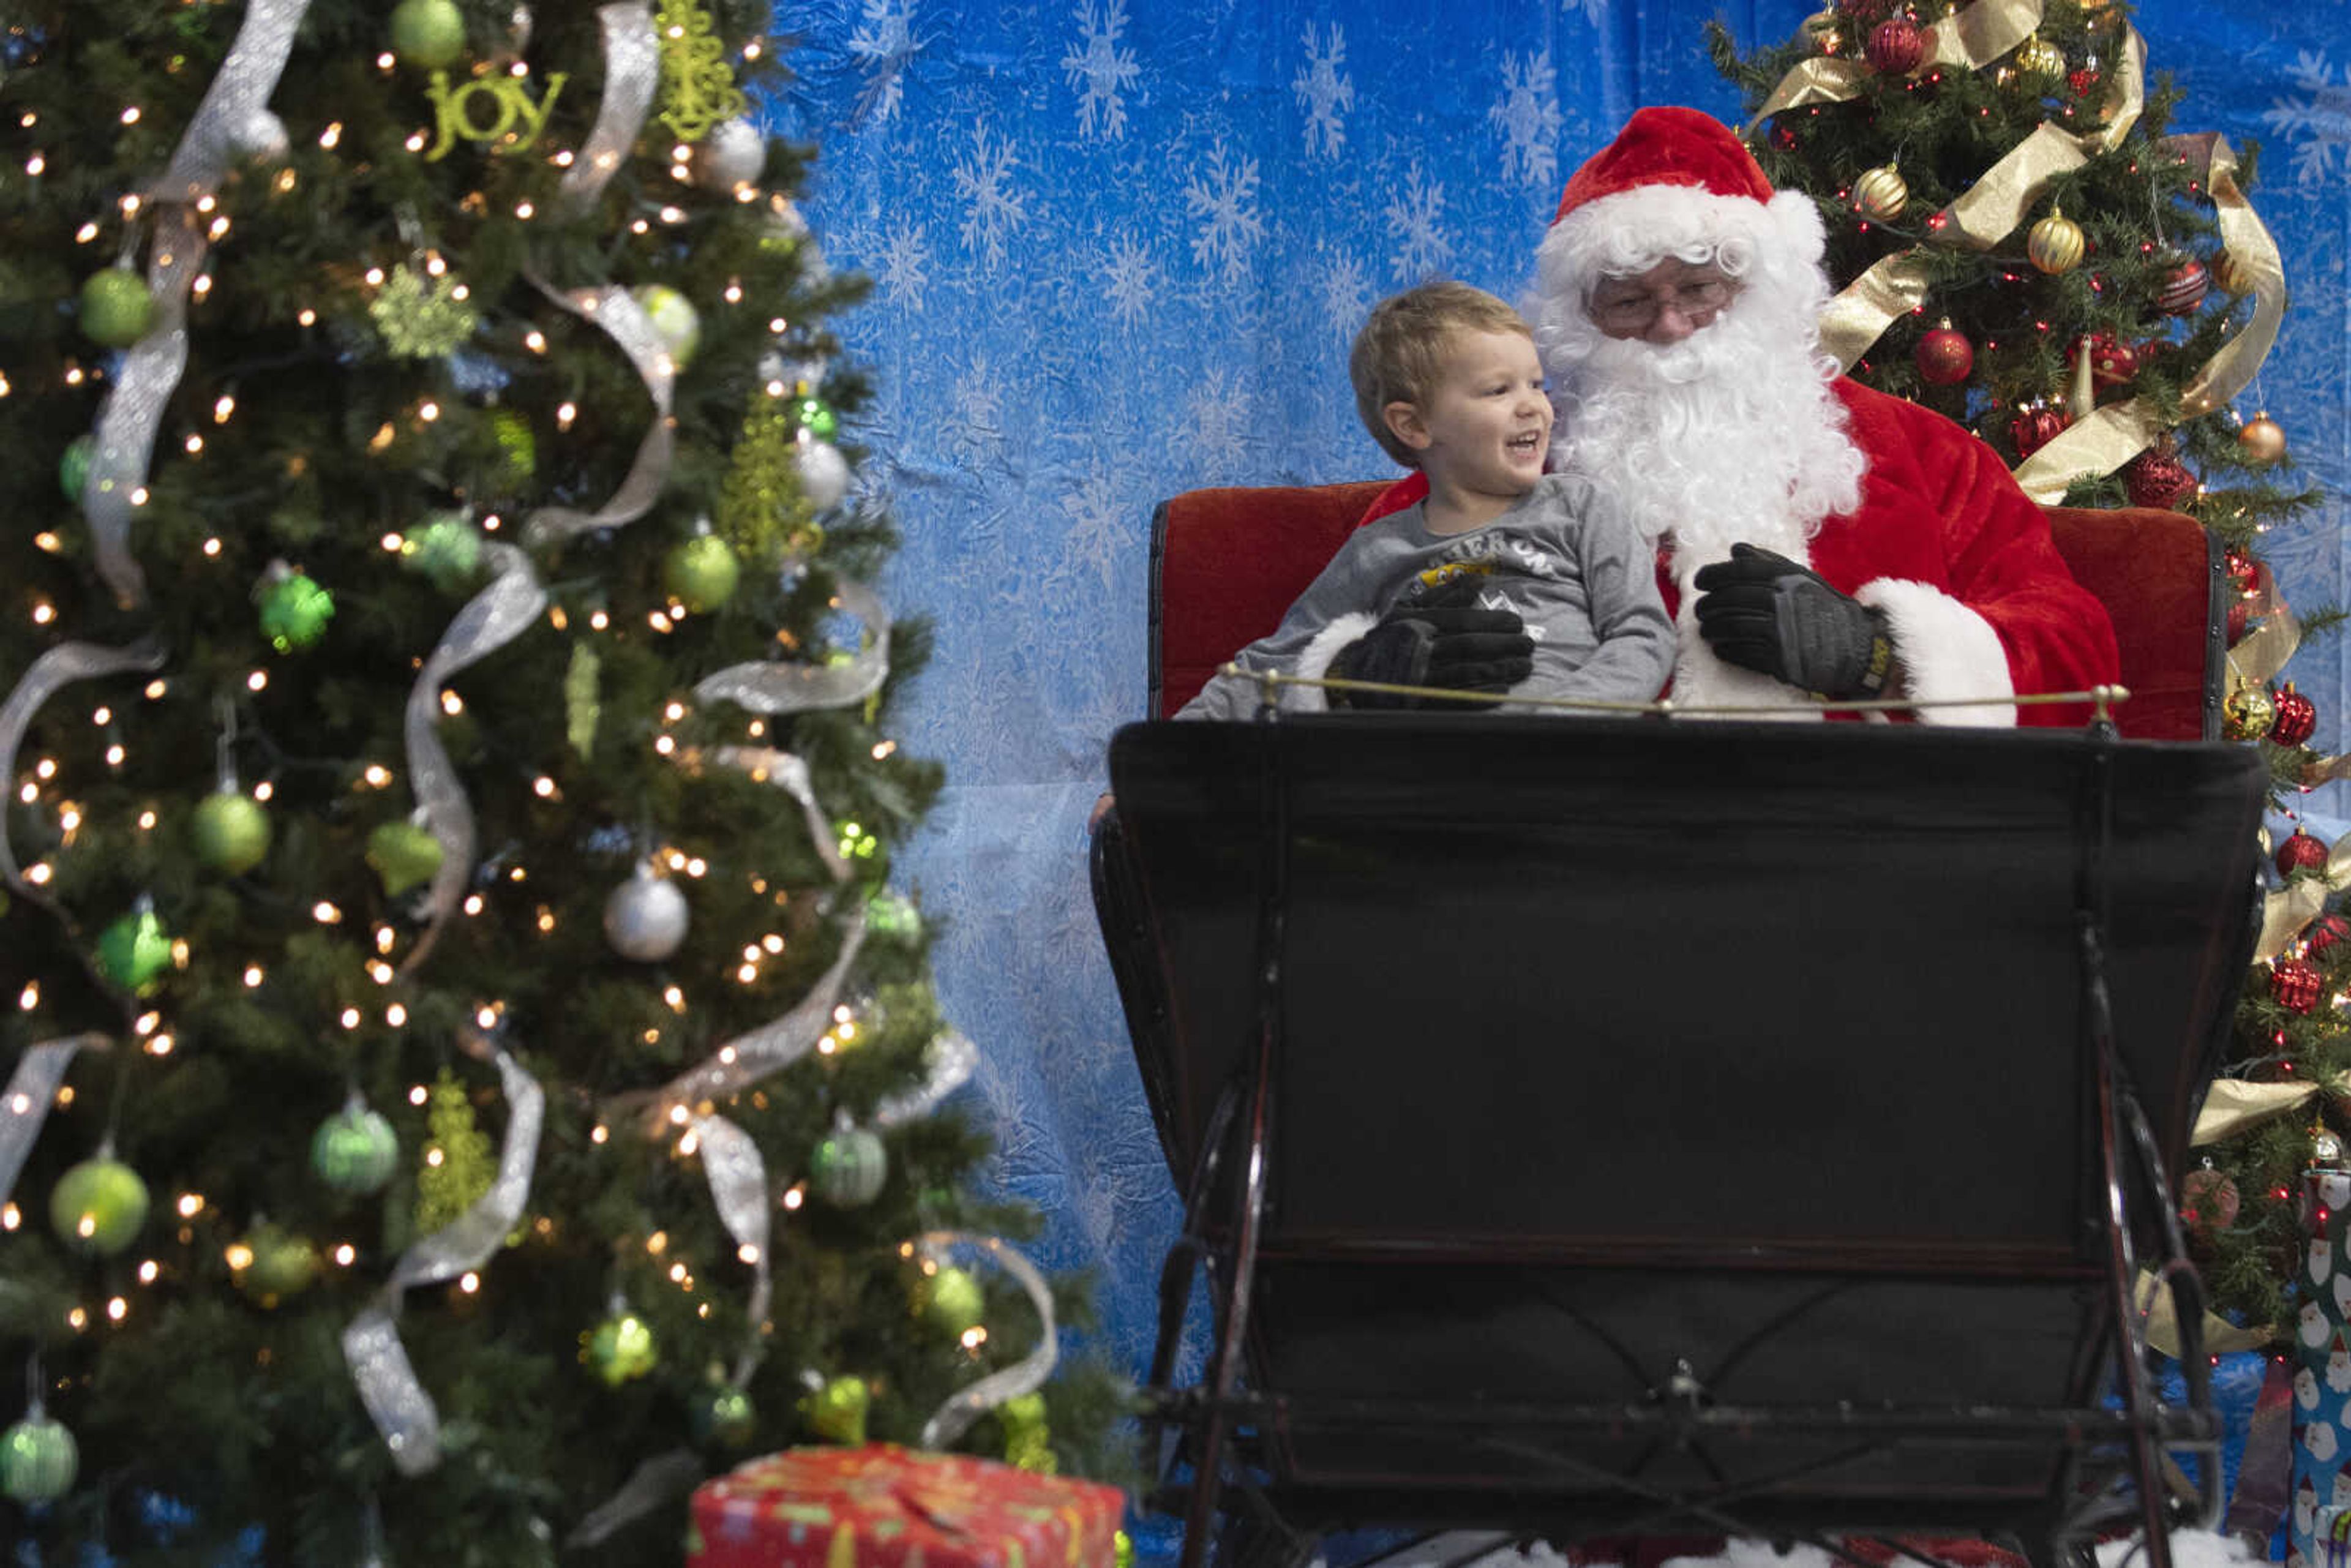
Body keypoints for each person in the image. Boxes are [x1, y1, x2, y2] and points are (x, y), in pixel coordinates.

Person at [1339, 105, 2120, 726]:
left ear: (1761, 290)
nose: (1671, 327)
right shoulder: (1501, 456)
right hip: (1574, 850)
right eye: (1631, 301)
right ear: (1580, 320)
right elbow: (1307, 641)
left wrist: (1878, 656)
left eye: (1701, 291)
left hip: (1865, 848)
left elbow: (2078, 649)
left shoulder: (1919, 451)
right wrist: (1360, 674)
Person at [1177, 280, 1673, 720]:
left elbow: (1642, 633)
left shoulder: (1581, 506)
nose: (1533, 406)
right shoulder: (1379, 548)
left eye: (1536, 384)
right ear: (1413, 425)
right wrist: (1157, 765)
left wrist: (1563, 718)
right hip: (1427, 769)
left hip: (1574, 757)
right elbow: (1274, 663)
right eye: (1498, 390)